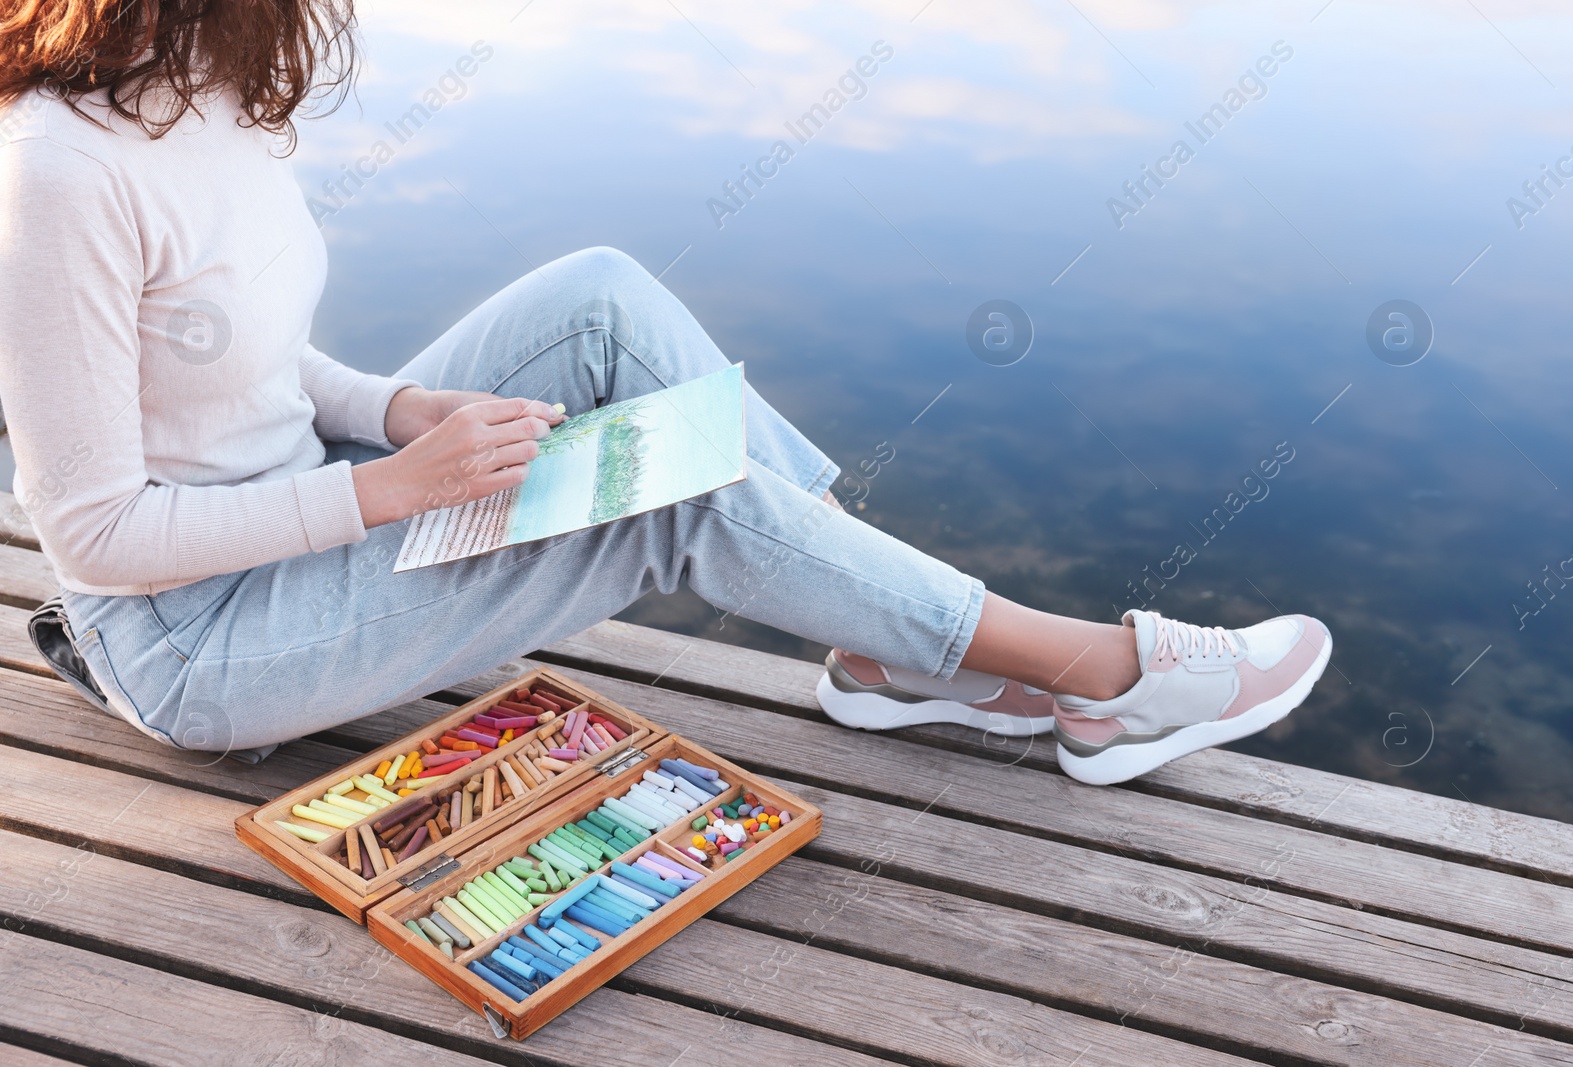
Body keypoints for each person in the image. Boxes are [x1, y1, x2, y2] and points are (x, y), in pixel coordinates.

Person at [0, 1, 1330, 786]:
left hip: (307, 504)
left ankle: (892, 647)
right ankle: (1091, 681)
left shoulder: (208, 87)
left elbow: (238, 358)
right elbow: (95, 537)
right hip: (192, 642)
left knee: (601, 299)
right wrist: (388, 489)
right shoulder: (57, 171)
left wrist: (402, 416)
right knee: (656, 494)